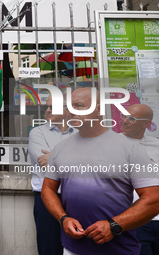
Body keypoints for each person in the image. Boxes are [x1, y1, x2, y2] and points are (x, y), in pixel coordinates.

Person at [41, 87, 159, 255]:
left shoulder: (130, 149)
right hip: (72, 248)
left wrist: (114, 225)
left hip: (119, 249)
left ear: (98, 110)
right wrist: (63, 218)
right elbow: (48, 189)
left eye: (78, 105)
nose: (70, 111)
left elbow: (154, 199)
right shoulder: (60, 148)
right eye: (69, 106)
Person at [28, 95, 75, 255]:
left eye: (52, 107)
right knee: (48, 246)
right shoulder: (37, 133)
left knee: (76, 245)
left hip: (76, 196)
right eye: (45, 107)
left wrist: (55, 156)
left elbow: (89, 164)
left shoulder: (79, 133)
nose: (47, 110)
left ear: (67, 110)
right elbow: (44, 163)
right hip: (47, 197)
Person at [121, 103, 159, 255]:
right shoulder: (109, 144)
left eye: (132, 119)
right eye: (124, 116)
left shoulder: (156, 145)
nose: (125, 121)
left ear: (147, 123)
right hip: (133, 218)